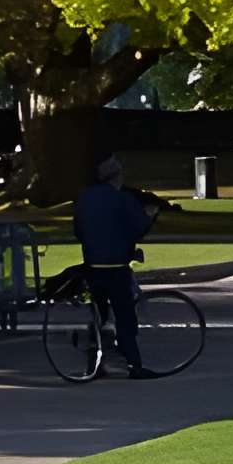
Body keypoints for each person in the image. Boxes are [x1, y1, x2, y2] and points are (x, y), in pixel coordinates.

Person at [72, 155, 162, 378]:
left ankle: (94, 363)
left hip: (92, 265)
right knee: (125, 317)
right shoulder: (122, 199)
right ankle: (133, 365)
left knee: (99, 315)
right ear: (118, 176)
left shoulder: (84, 198)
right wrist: (150, 215)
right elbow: (138, 228)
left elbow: (78, 231)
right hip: (116, 266)